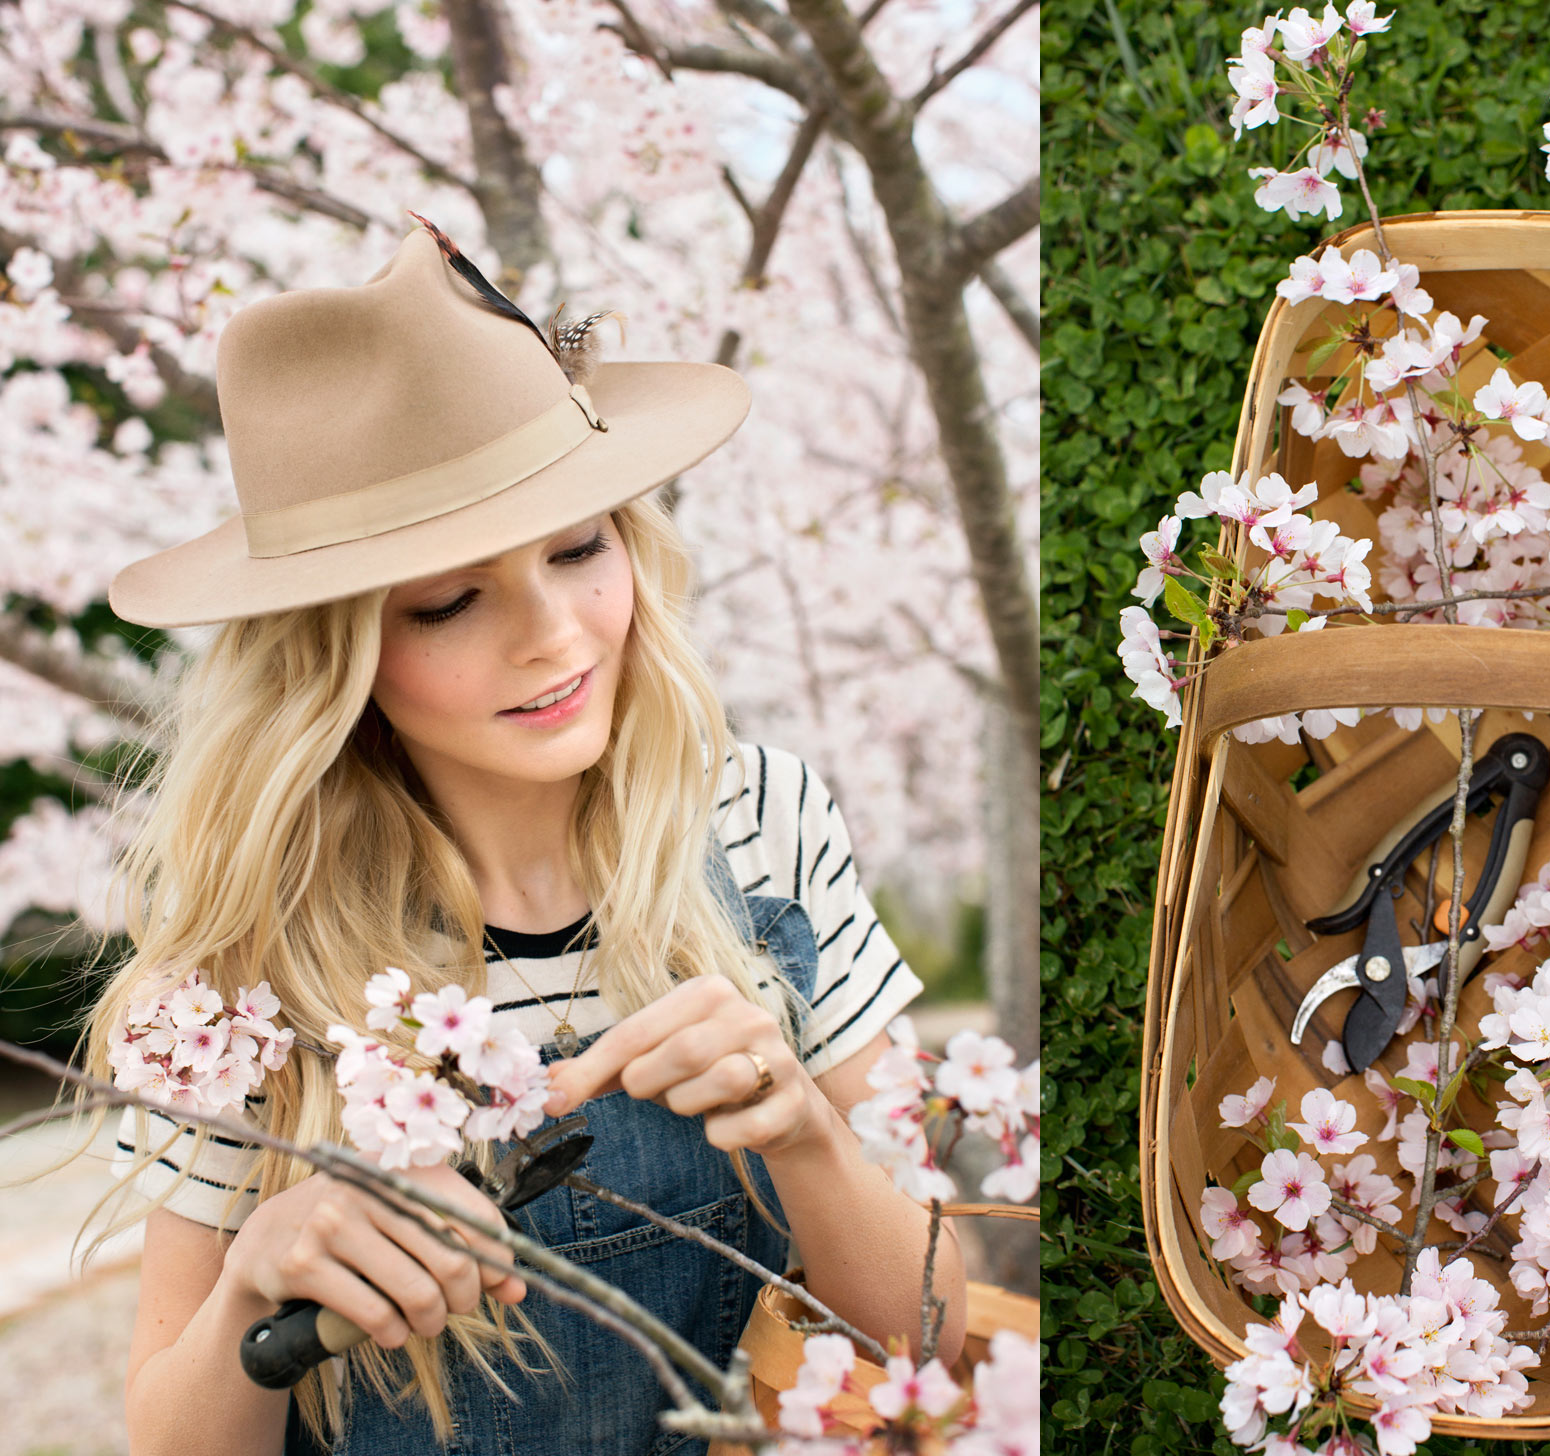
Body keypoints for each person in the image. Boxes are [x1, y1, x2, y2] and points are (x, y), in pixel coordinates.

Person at [75, 219, 964, 1456]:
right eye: (447, 602)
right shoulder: (246, 979)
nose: (552, 634)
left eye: (578, 548)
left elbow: (931, 1323)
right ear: (336, 660)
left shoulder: (762, 821)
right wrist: (256, 1282)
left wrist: (803, 1126)